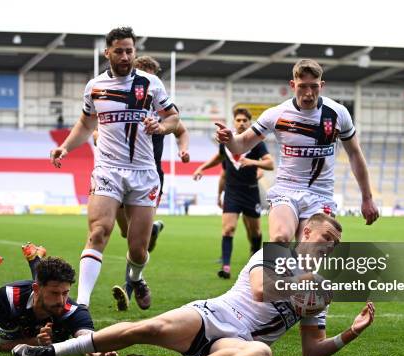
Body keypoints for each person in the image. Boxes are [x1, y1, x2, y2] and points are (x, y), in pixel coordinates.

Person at [12, 213, 375, 356]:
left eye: (338, 245)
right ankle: (50, 353)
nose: (332, 248)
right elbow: (261, 290)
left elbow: (312, 352)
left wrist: (351, 333)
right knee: (148, 328)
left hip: (237, 342)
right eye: (328, 239)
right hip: (212, 316)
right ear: (307, 234)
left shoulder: (319, 291)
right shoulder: (277, 255)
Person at [49, 27, 180, 310]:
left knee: (137, 248)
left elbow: (173, 119)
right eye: (119, 51)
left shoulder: (150, 83)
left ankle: (137, 277)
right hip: (108, 169)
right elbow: (86, 124)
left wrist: (161, 126)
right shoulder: (95, 87)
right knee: (98, 232)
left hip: (144, 173)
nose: (125, 56)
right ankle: (81, 305)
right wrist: (65, 147)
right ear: (106, 52)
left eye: (129, 51)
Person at [215, 59, 379, 242]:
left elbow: (355, 154)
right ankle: (261, 270)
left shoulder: (338, 113)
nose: (308, 94)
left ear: (322, 85)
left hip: (320, 196)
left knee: (311, 250)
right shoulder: (277, 114)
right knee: (279, 237)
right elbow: (242, 144)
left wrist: (367, 198)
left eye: (314, 87)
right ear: (293, 85)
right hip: (287, 190)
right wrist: (230, 140)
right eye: (302, 87)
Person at [109, 55, 190, 311]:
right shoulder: (120, 103)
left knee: (136, 240)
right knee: (126, 233)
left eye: (150, 75)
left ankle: (131, 286)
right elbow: (99, 127)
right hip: (118, 172)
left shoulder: (161, 110)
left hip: (150, 175)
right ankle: (139, 276)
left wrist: (183, 151)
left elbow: (181, 129)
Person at [0, 243, 117, 356]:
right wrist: (37, 342)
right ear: (36, 289)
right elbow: (3, 345)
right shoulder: (10, 297)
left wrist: (96, 352)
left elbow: (88, 338)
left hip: (33, 305)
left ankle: (35, 259)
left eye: (65, 293)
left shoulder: (74, 310)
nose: (61, 301)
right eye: (54, 293)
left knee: (46, 283)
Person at [193, 108, 274, 279]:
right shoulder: (226, 142)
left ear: (250, 123)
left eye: (245, 120)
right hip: (232, 191)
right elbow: (218, 158)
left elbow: (270, 164)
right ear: (234, 122)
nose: (241, 123)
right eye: (238, 120)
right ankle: (226, 266)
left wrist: (251, 161)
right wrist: (202, 168)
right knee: (228, 229)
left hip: (251, 191)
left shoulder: (257, 143)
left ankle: (254, 254)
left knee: (256, 232)